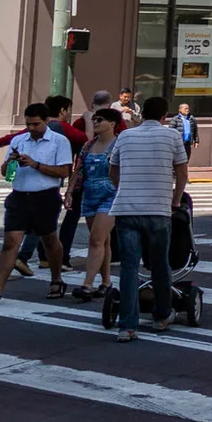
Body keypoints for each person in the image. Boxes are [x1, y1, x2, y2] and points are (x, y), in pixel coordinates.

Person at [107, 95, 190, 341]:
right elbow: (182, 172)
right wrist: (176, 200)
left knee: (129, 267)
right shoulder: (171, 136)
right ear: (164, 116)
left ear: (141, 114)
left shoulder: (125, 136)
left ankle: (127, 325)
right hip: (158, 210)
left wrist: (122, 188)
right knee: (160, 264)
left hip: (127, 209)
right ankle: (162, 315)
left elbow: (113, 170)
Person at [0, 103, 74, 303]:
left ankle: (56, 279)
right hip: (19, 196)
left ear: (46, 121)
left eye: (36, 124)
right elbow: (6, 175)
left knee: (50, 240)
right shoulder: (19, 140)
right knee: (10, 242)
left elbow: (64, 172)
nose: (32, 128)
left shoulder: (59, 141)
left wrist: (35, 164)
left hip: (45, 196)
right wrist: (10, 162)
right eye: (28, 124)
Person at [70, 107, 123, 301]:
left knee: (96, 239)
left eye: (100, 120)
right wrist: (69, 192)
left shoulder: (119, 144)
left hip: (111, 195)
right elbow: (78, 169)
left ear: (112, 124)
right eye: (94, 120)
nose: (96, 123)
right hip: (89, 194)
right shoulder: (88, 145)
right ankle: (106, 282)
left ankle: (87, 284)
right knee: (104, 241)